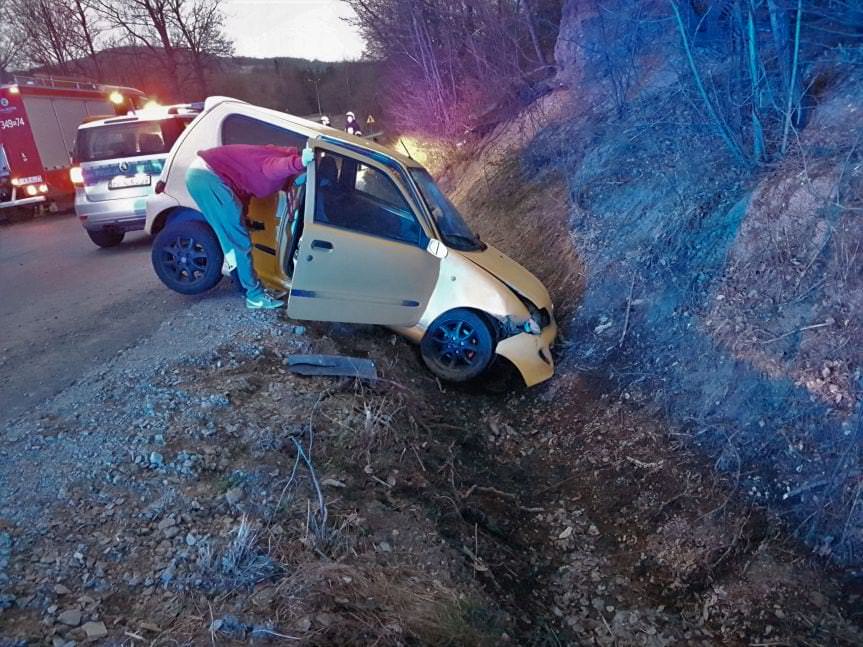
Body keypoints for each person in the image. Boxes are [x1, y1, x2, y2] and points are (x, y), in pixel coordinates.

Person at [185, 144, 314, 309]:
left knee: (232, 239)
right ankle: (254, 296)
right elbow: (272, 169)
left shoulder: (272, 158)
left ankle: (248, 288)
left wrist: (244, 215)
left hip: (204, 176)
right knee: (239, 241)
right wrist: (300, 162)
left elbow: (244, 190)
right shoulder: (275, 163)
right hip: (207, 177)